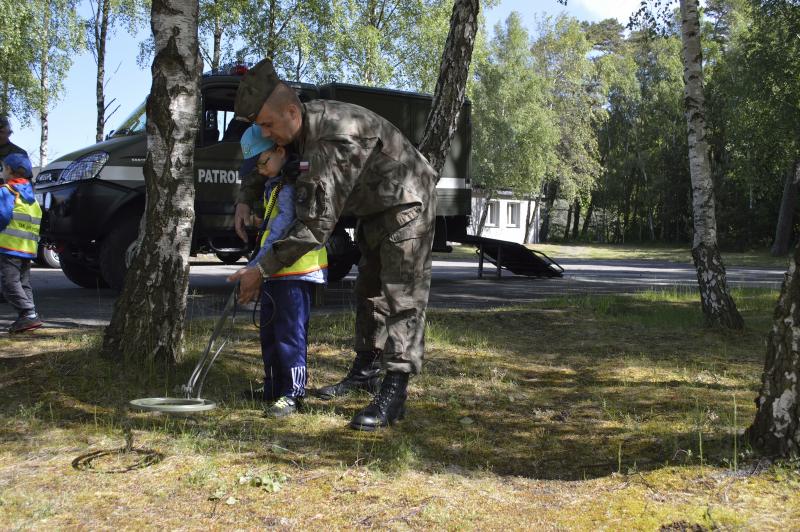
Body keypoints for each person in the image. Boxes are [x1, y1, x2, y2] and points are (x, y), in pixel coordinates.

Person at [228, 58, 438, 431]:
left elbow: (314, 225)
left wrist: (261, 269)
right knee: (369, 290)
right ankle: (365, 371)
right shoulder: (296, 128)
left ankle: (395, 391)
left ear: (291, 111)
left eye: (267, 125)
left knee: (401, 296)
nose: (265, 134)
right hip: (374, 207)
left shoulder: (331, 140)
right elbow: (268, 160)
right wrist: (245, 197)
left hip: (407, 200)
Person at [240, 124, 328, 417]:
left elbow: (281, 228)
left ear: (279, 151)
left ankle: (293, 393)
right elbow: (269, 226)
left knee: (289, 333)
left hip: (294, 270)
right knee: (269, 330)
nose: (259, 170)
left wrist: (255, 266)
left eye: (262, 162)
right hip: (273, 270)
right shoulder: (273, 184)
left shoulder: (290, 187)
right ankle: (273, 385)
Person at [0, 153, 43, 333]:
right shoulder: (31, 197)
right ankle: (29, 317)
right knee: (23, 283)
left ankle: (27, 314)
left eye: (3, 168)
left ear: (9, 170)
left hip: (9, 247)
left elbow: (2, 215)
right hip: (27, 249)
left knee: (8, 283)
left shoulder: (7, 191)